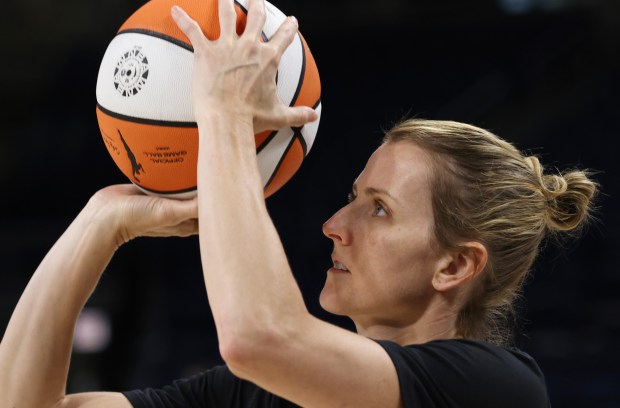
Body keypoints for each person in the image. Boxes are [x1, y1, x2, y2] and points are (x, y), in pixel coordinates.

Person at [0, 0, 598, 407]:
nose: (335, 225)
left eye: (379, 208)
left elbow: (259, 336)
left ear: (455, 265)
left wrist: (227, 114)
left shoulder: (494, 388)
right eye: (352, 198)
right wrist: (100, 221)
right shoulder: (260, 392)